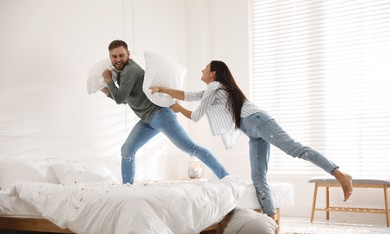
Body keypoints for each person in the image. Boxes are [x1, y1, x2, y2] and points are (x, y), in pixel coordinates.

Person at [150, 60, 353, 223]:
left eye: (205, 68)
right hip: (253, 131)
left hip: (258, 121)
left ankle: (340, 174)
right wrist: (164, 90)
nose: (202, 70)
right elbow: (189, 95)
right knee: (258, 177)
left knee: (295, 149)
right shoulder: (214, 89)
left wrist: (177, 109)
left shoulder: (215, 86)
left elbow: (195, 116)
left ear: (213, 74)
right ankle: (270, 218)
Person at [100, 40, 229, 184]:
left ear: (128, 54)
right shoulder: (122, 73)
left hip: (161, 115)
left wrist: (108, 80)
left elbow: (119, 98)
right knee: (127, 150)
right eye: (114, 57)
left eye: (121, 55)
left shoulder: (129, 70)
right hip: (148, 119)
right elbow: (125, 99)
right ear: (110, 57)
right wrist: (106, 90)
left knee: (191, 148)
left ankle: (227, 177)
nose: (118, 60)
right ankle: (127, 188)